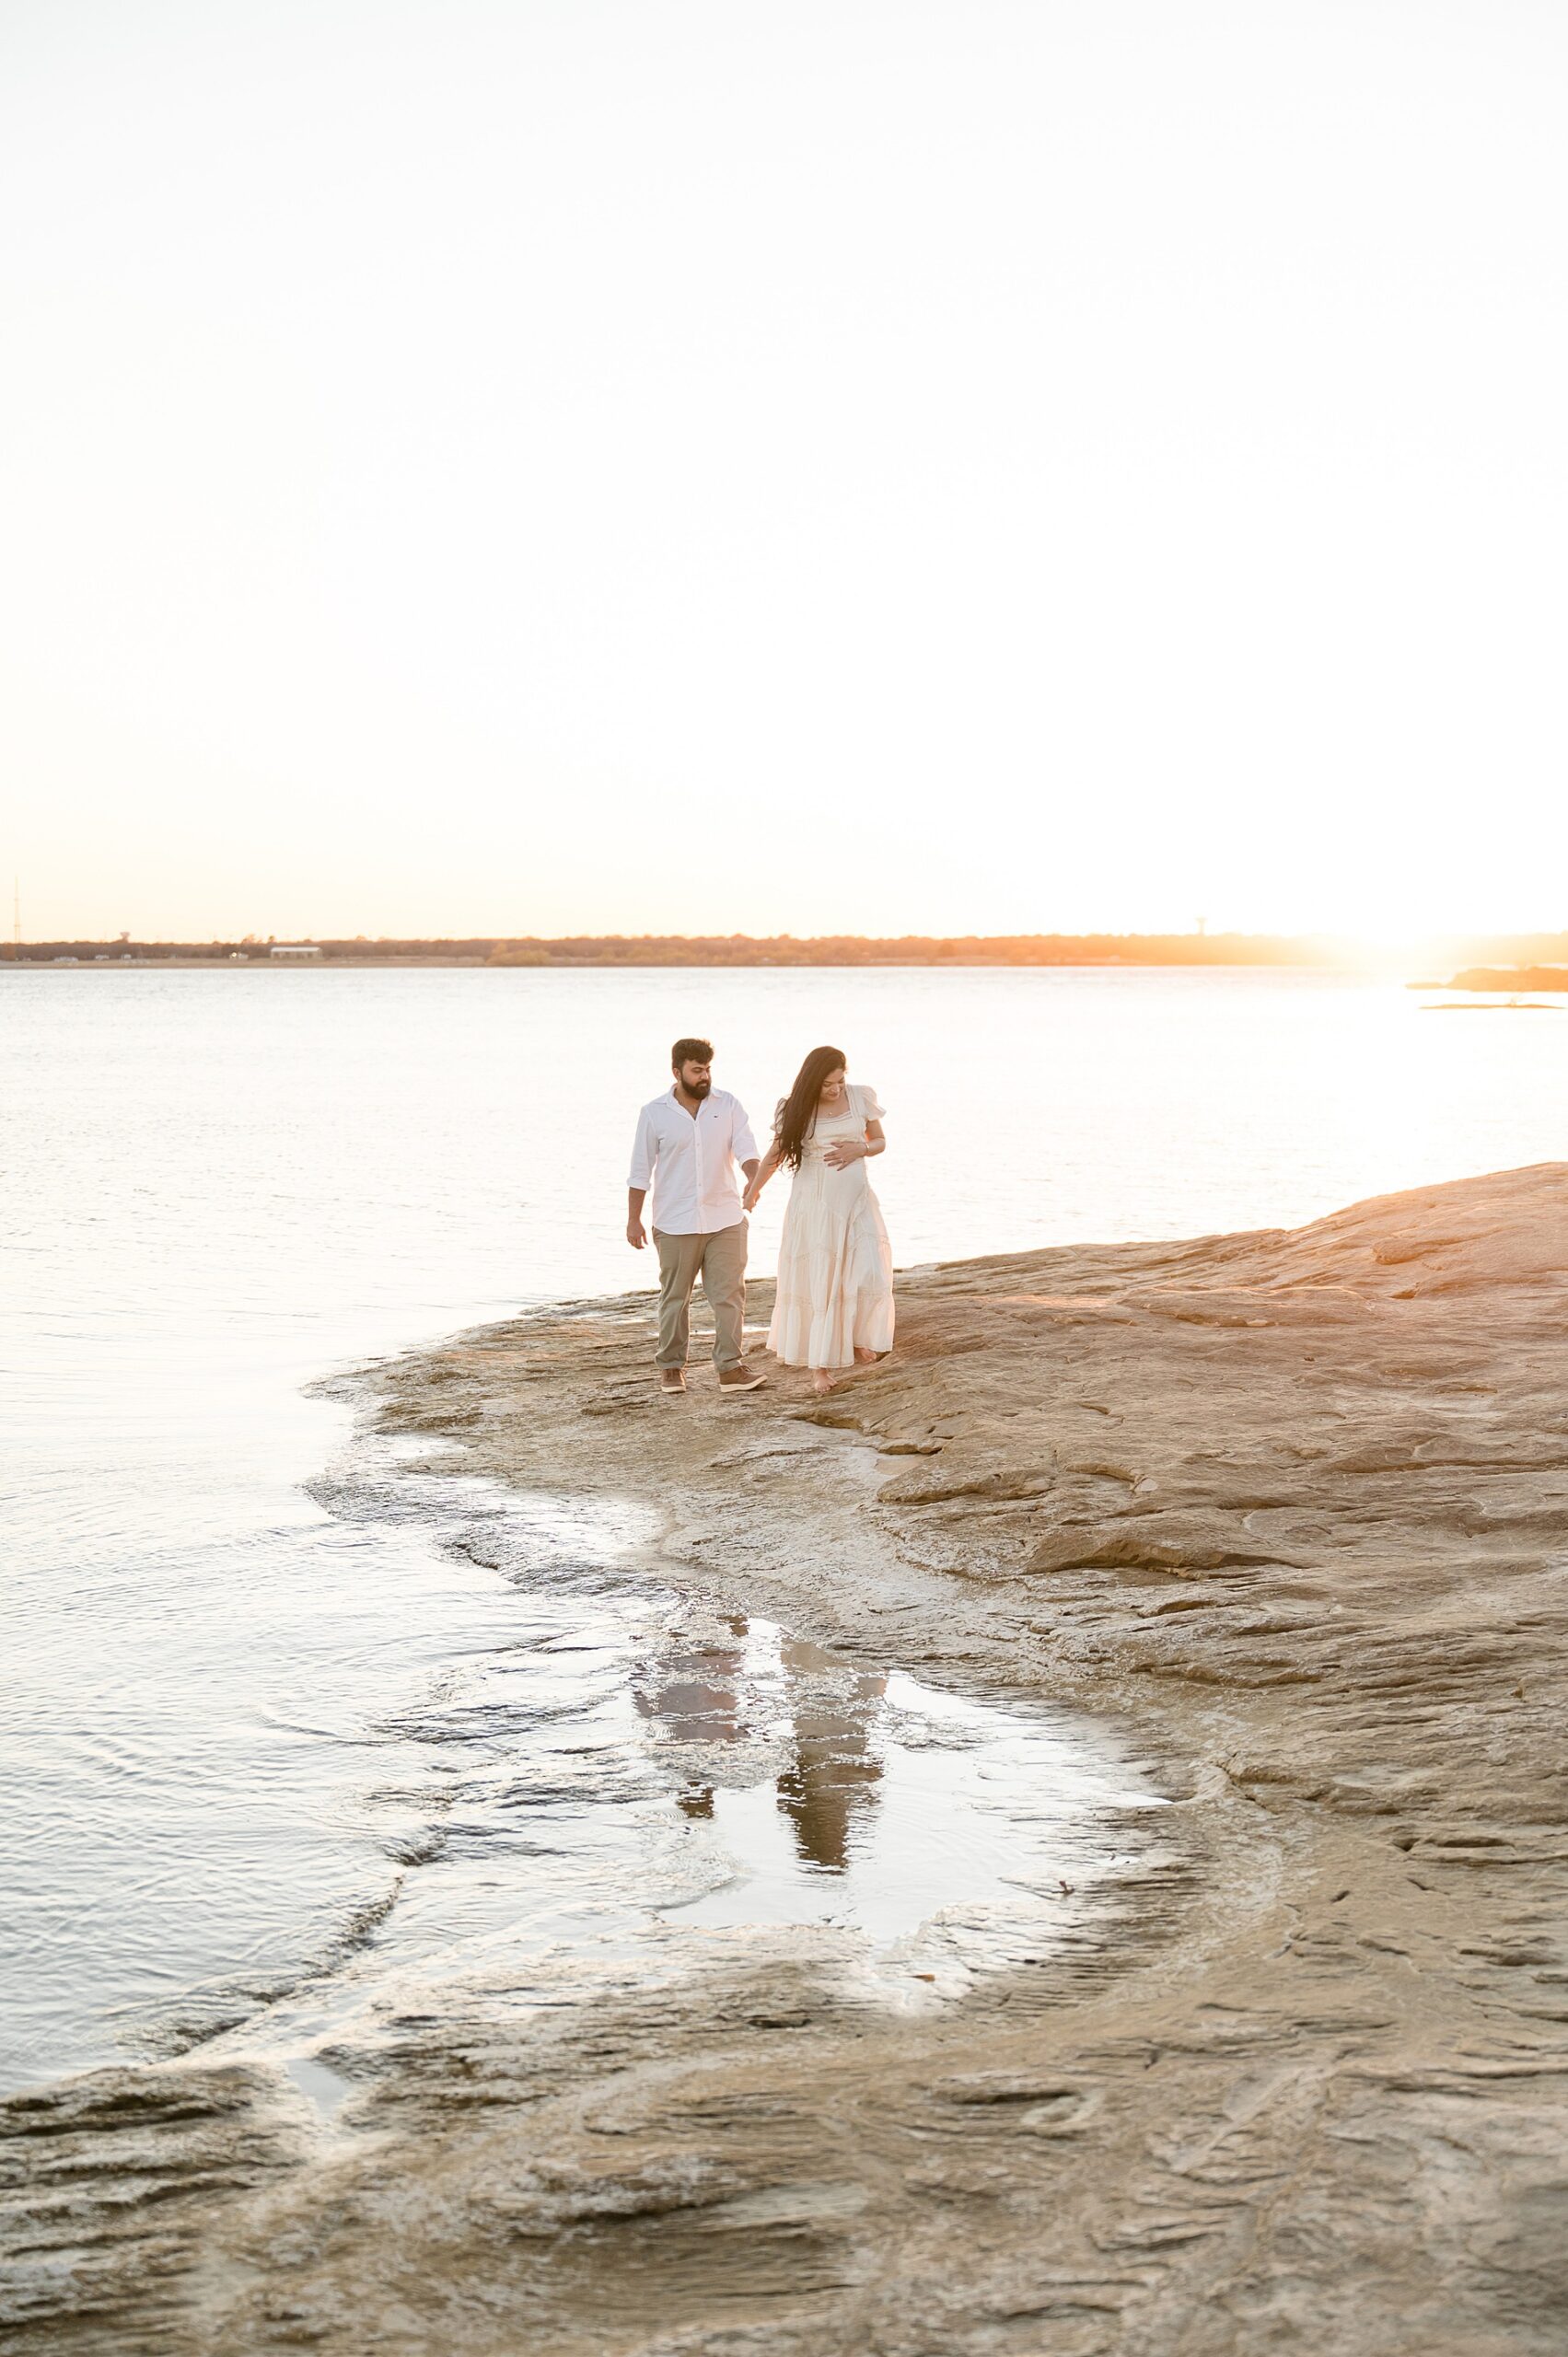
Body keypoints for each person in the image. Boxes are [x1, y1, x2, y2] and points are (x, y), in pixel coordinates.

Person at [743, 1044, 893, 1395]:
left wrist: (861, 1148)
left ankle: (856, 1339)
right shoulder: (794, 1107)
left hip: (857, 1203)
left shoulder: (861, 1097)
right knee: (822, 1282)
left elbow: (880, 1141)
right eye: (828, 1084)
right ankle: (820, 1367)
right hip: (815, 1207)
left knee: (869, 1270)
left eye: (840, 1081)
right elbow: (776, 1153)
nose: (836, 1089)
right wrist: (753, 1191)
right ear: (812, 1081)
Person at [627, 1037, 767, 1396]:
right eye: (696, 1070)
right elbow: (640, 1171)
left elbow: (747, 1148)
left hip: (725, 1218)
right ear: (677, 1072)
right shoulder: (654, 1113)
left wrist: (753, 1180)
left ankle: (730, 1369)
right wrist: (633, 1219)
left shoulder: (728, 1104)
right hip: (675, 1221)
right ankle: (671, 1368)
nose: (704, 1077)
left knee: (730, 1295)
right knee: (675, 1297)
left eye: (707, 1069)